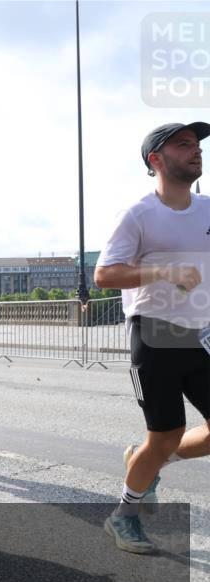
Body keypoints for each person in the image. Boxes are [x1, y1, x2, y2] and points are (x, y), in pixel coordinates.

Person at [94, 121, 210, 554]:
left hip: (203, 334)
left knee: (169, 445)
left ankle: (153, 465)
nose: (195, 150)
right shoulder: (139, 214)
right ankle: (123, 517)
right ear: (155, 160)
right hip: (156, 334)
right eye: (183, 145)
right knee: (164, 433)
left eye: (197, 145)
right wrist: (163, 271)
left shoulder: (208, 209)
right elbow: (104, 274)